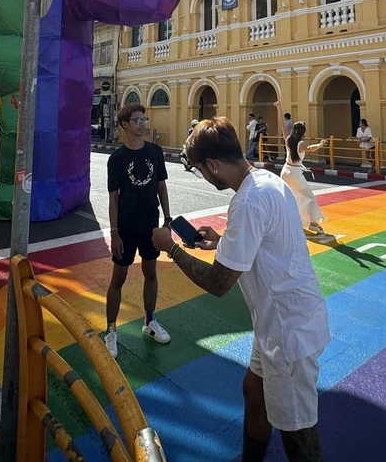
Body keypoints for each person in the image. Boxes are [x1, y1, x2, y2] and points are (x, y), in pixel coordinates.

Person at [155, 118, 329, 462]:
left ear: (213, 165)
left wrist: (171, 248)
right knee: (254, 391)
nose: (204, 177)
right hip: (278, 323)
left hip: (288, 331)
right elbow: (267, 238)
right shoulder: (267, 180)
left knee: (297, 431)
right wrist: (223, 240)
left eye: (201, 171)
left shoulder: (247, 201)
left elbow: (219, 283)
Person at [105, 103, 173, 358]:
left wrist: (167, 219)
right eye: (137, 121)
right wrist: (114, 233)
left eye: (144, 120)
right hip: (125, 227)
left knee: (151, 273)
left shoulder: (155, 152)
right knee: (118, 279)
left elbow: (161, 187)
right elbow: (113, 199)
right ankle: (111, 331)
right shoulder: (117, 159)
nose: (143, 125)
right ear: (125, 124)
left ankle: (150, 322)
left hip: (150, 225)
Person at [275, 100, 328, 236]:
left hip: (285, 171)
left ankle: (283, 220)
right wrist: (321, 144)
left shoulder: (288, 140)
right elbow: (310, 149)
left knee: (289, 197)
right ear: (303, 132)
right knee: (309, 196)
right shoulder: (300, 143)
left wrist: (279, 108)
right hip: (295, 174)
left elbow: (282, 124)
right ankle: (313, 223)